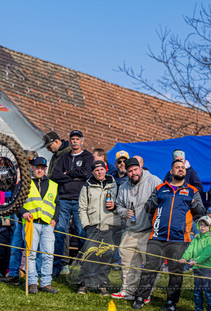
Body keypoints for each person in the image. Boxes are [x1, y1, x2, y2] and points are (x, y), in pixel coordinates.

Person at [132, 159, 206, 311]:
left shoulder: (192, 191)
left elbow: (201, 212)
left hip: (180, 239)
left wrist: (193, 203)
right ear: (171, 171)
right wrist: (155, 206)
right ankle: (140, 297)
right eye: (177, 167)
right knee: (150, 268)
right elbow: (148, 207)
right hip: (157, 237)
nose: (180, 169)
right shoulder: (160, 188)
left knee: (176, 272)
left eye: (182, 168)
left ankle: (171, 302)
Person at [111, 157, 162, 301]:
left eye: (135, 169)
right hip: (130, 230)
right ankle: (128, 290)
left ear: (140, 168)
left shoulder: (154, 181)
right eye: (130, 171)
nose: (133, 173)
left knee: (151, 264)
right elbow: (119, 205)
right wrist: (123, 212)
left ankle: (146, 293)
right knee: (128, 262)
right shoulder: (124, 186)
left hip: (149, 231)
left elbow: (163, 201)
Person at [50, 129, 93, 276]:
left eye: (77, 139)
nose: (75, 141)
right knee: (60, 232)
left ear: (82, 141)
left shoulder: (87, 156)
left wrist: (67, 174)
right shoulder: (65, 157)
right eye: (72, 139)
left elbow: (86, 174)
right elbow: (55, 175)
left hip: (80, 199)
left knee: (81, 232)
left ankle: (84, 267)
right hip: (63, 199)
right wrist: (74, 176)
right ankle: (58, 267)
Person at [76, 160, 120, 295]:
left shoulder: (115, 184)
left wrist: (115, 207)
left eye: (101, 169)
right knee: (90, 254)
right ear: (92, 172)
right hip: (93, 225)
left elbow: (121, 204)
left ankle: (102, 283)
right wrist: (86, 225)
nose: (99, 172)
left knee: (107, 255)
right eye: (96, 170)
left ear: (105, 169)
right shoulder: (87, 186)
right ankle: (84, 283)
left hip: (110, 225)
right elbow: (82, 208)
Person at [22, 156, 59, 294]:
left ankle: (46, 283)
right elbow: (17, 203)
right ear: (32, 168)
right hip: (31, 223)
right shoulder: (26, 184)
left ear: (45, 169)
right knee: (31, 254)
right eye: (37, 167)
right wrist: (23, 212)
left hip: (48, 225)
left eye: (42, 168)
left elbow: (57, 204)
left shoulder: (53, 185)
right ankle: (32, 283)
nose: (39, 170)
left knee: (48, 254)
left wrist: (55, 219)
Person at [178, 215, 211, 311]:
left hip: (207, 268)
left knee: (207, 290)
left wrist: (197, 260)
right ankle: (198, 310)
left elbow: (208, 251)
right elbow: (190, 249)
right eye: (200, 225)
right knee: (197, 290)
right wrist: (184, 258)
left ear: (210, 227)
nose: (202, 227)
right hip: (197, 268)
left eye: (205, 225)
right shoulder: (196, 238)